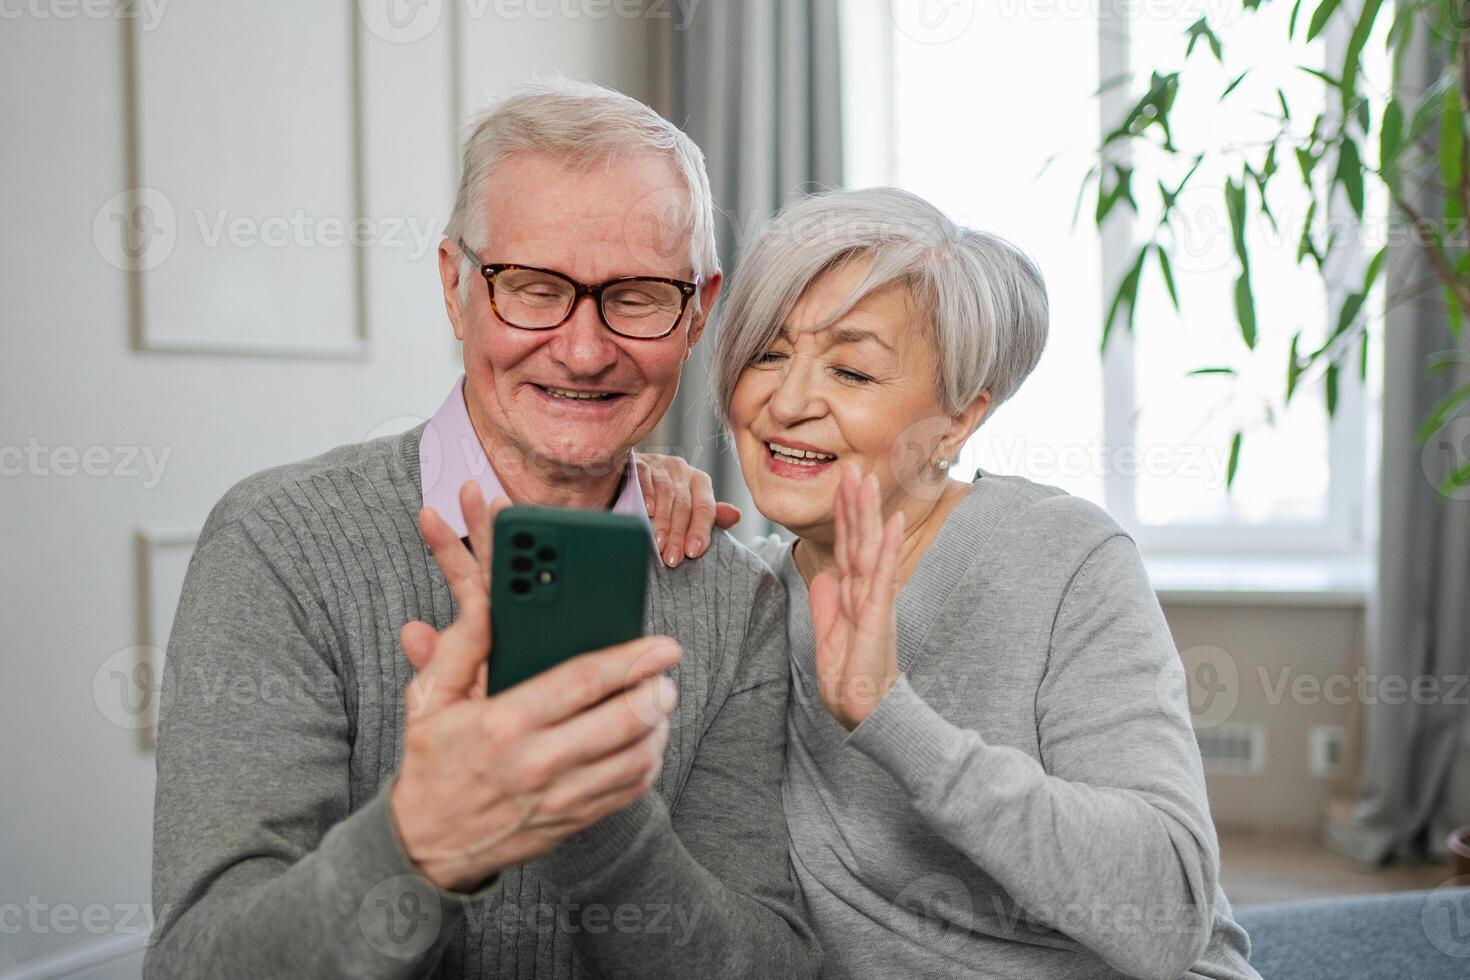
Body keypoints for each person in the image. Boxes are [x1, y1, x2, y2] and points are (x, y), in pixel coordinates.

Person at [144, 79, 820, 980]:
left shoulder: (738, 596)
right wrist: (420, 843)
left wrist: (589, 805)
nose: (584, 351)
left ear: (698, 309)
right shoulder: (281, 545)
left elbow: (766, 966)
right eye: (533, 289)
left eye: (640, 295)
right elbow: (197, 966)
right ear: (455, 284)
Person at [640, 186, 1262, 978]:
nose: (787, 401)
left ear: (958, 420)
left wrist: (888, 715)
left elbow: (1167, 914)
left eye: (853, 371)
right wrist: (631, 499)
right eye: (767, 352)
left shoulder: (1060, 556)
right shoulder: (744, 596)